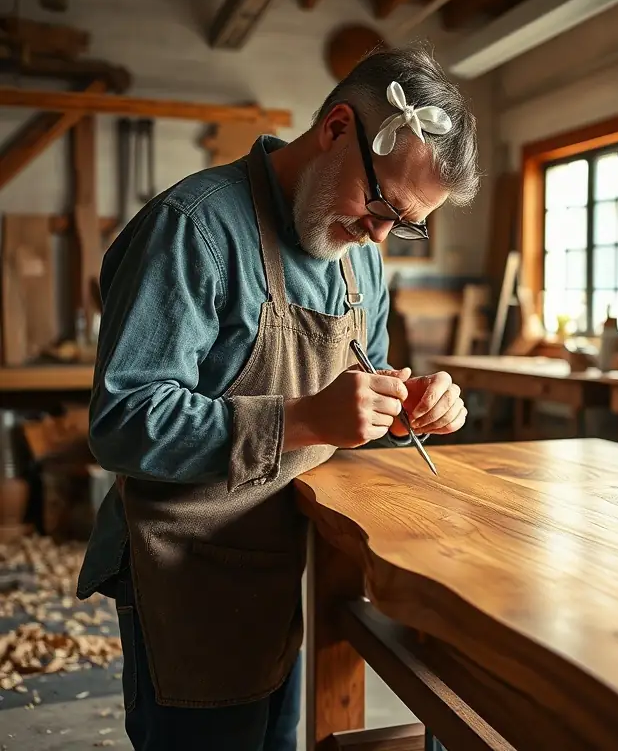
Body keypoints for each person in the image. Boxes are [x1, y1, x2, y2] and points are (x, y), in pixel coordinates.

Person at [76, 42, 480, 750]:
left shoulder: (355, 255)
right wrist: (299, 419)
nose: (380, 234)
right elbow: (121, 423)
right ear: (334, 130)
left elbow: (369, 374)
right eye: (381, 204)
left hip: (277, 560)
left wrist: (410, 401)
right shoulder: (193, 229)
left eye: (404, 222)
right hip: (185, 567)